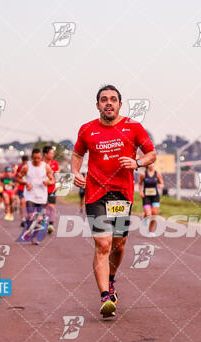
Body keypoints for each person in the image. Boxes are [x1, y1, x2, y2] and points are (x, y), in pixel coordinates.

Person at [71, 84, 156, 318]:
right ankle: (105, 296)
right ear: (97, 104)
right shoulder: (87, 130)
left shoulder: (133, 127)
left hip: (122, 195)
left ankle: (111, 279)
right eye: (104, 99)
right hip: (96, 193)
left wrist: (137, 163)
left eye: (113, 99)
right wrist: (76, 172)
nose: (108, 103)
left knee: (118, 245)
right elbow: (77, 154)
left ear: (120, 104)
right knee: (103, 244)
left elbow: (151, 153)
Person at [15, 149, 56, 245]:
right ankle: (28, 226)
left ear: (41, 158)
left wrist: (48, 182)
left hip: (42, 196)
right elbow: (18, 178)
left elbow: (53, 180)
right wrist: (25, 183)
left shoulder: (46, 167)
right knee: (31, 216)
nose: (36, 160)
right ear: (31, 158)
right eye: (34, 158)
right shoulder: (26, 167)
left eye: (38, 158)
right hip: (30, 195)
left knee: (40, 218)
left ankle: (34, 238)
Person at [138, 163, 163, 235]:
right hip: (146, 196)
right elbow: (140, 184)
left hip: (155, 196)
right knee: (149, 214)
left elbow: (161, 182)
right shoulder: (143, 174)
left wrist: (160, 185)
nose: (151, 165)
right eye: (150, 164)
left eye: (152, 164)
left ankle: (150, 231)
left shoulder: (157, 174)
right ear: (147, 165)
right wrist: (141, 191)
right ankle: (145, 215)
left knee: (154, 214)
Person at [43, 146, 60, 235]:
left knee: (52, 206)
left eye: (53, 153)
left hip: (52, 189)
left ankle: (51, 225)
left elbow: (57, 176)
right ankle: (44, 223)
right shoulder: (40, 163)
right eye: (51, 153)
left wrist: (56, 184)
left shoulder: (55, 164)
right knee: (44, 207)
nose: (52, 155)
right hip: (41, 189)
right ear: (46, 154)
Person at [16, 155, 29, 227]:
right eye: (24, 162)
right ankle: (23, 219)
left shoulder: (31, 167)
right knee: (22, 202)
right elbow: (17, 177)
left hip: (29, 188)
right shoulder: (20, 168)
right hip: (21, 188)